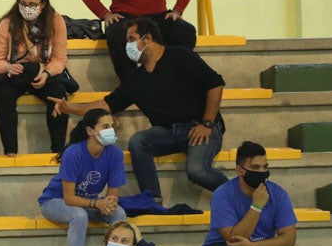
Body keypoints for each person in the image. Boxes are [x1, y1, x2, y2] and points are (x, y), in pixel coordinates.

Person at [51, 16, 227, 204]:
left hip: (201, 126)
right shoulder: (136, 79)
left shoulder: (181, 56)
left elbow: (215, 84)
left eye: (131, 40)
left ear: (147, 39)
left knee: (197, 170)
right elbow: (106, 105)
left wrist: (207, 123)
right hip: (166, 132)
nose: (128, 46)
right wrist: (70, 108)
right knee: (138, 141)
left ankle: (237, 192)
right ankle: (152, 199)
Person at [38, 109, 127, 246]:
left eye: (112, 126)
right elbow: (69, 198)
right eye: (105, 126)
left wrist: (109, 203)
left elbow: (112, 195)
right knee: (79, 216)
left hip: (89, 201)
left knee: (119, 213)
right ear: (90, 131)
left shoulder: (115, 154)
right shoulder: (73, 153)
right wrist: (96, 204)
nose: (111, 131)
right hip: (55, 201)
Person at [0, 0, 72, 155]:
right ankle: (10, 151)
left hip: (45, 73)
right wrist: (8, 67)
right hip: (15, 74)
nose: (27, 8)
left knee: (58, 92)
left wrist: (47, 74)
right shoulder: (7, 23)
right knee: (3, 93)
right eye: (23, 4)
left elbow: (59, 59)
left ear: (43, 5)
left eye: (32, 5)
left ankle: (58, 151)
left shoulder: (56, 22)